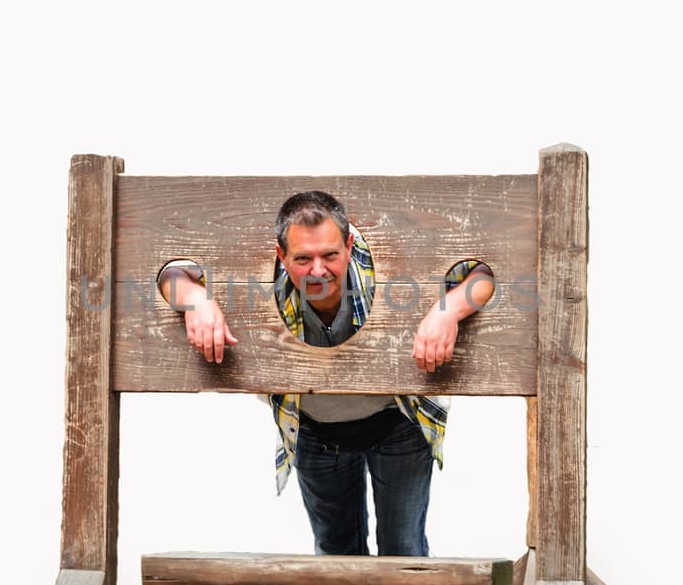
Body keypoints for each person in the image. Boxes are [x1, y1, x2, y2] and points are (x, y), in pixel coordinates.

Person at [156, 191, 494, 557]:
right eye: (303, 258)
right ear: (280, 256)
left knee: (404, 551)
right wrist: (196, 300)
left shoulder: (389, 276)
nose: (318, 270)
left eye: (330, 255)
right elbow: (170, 271)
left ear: (349, 245)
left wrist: (448, 311)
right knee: (335, 557)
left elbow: (483, 273)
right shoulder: (261, 283)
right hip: (315, 431)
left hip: (399, 424)